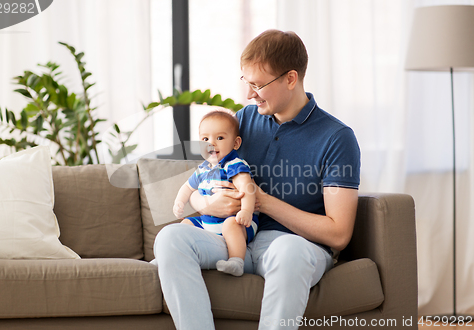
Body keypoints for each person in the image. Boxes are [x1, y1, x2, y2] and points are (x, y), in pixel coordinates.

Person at [153, 29, 361, 330]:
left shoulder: (337, 138)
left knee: (290, 251)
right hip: (232, 238)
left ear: (291, 79)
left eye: (258, 85)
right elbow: (203, 179)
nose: (249, 94)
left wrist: (262, 202)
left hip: (293, 246)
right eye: (246, 82)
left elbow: (339, 234)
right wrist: (207, 202)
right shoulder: (243, 121)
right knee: (170, 238)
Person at [172, 110, 258, 277]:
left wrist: (246, 211)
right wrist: (179, 202)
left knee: (230, 225)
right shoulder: (203, 168)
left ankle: (236, 261)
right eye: (205, 139)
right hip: (209, 223)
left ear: (235, 143)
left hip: (238, 222)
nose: (211, 143)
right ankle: (169, 257)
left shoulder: (234, 164)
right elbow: (188, 187)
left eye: (219, 138)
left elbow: (247, 187)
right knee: (186, 224)